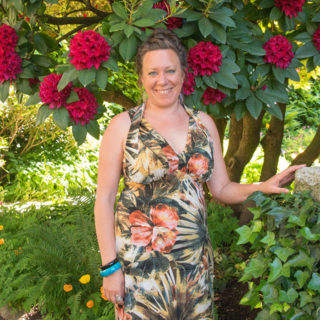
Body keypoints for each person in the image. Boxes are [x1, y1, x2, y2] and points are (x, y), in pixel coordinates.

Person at [94, 28, 304, 320]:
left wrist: (262, 186)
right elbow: (103, 199)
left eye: (170, 70)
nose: (162, 80)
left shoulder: (203, 124)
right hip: (140, 269)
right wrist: (110, 268)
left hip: (195, 266)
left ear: (183, 73)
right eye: (152, 72)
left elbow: (221, 188)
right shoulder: (122, 126)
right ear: (141, 78)